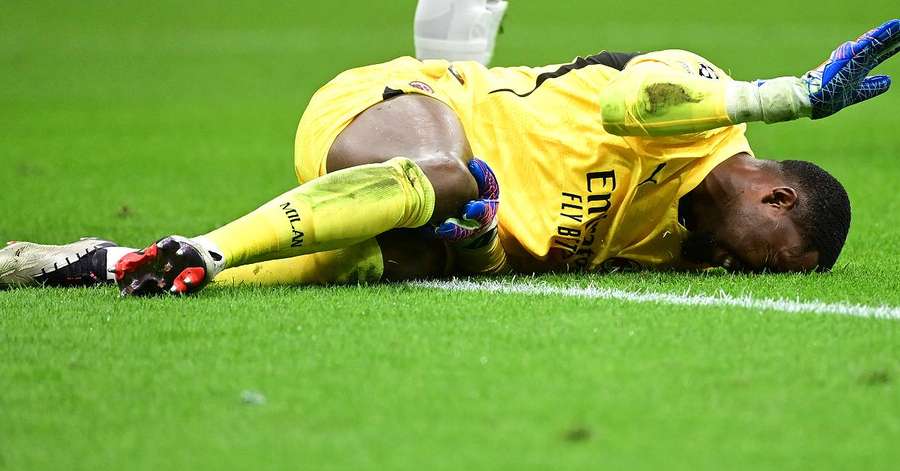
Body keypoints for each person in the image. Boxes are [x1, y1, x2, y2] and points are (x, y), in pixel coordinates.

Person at [2, 20, 898, 295]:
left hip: (409, 204)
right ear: (776, 197)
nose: (729, 267)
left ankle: (104, 263)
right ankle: (212, 249)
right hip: (394, 107)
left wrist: (476, 245)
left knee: (397, 261)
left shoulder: (669, 247)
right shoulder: (699, 97)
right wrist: (787, 94)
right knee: (445, 176)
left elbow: (503, 252)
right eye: (758, 257)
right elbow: (632, 98)